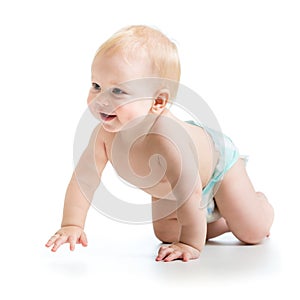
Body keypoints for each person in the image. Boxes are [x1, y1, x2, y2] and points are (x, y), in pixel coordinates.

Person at [45, 25, 274, 262]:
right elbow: (84, 179)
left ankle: (258, 204)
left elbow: (190, 191)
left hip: (216, 166)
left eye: (117, 91)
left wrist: (189, 244)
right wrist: (72, 224)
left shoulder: (168, 140)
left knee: (251, 232)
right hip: (169, 185)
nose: (101, 99)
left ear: (157, 101)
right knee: (165, 233)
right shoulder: (103, 135)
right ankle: (222, 221)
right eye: (96, 86)